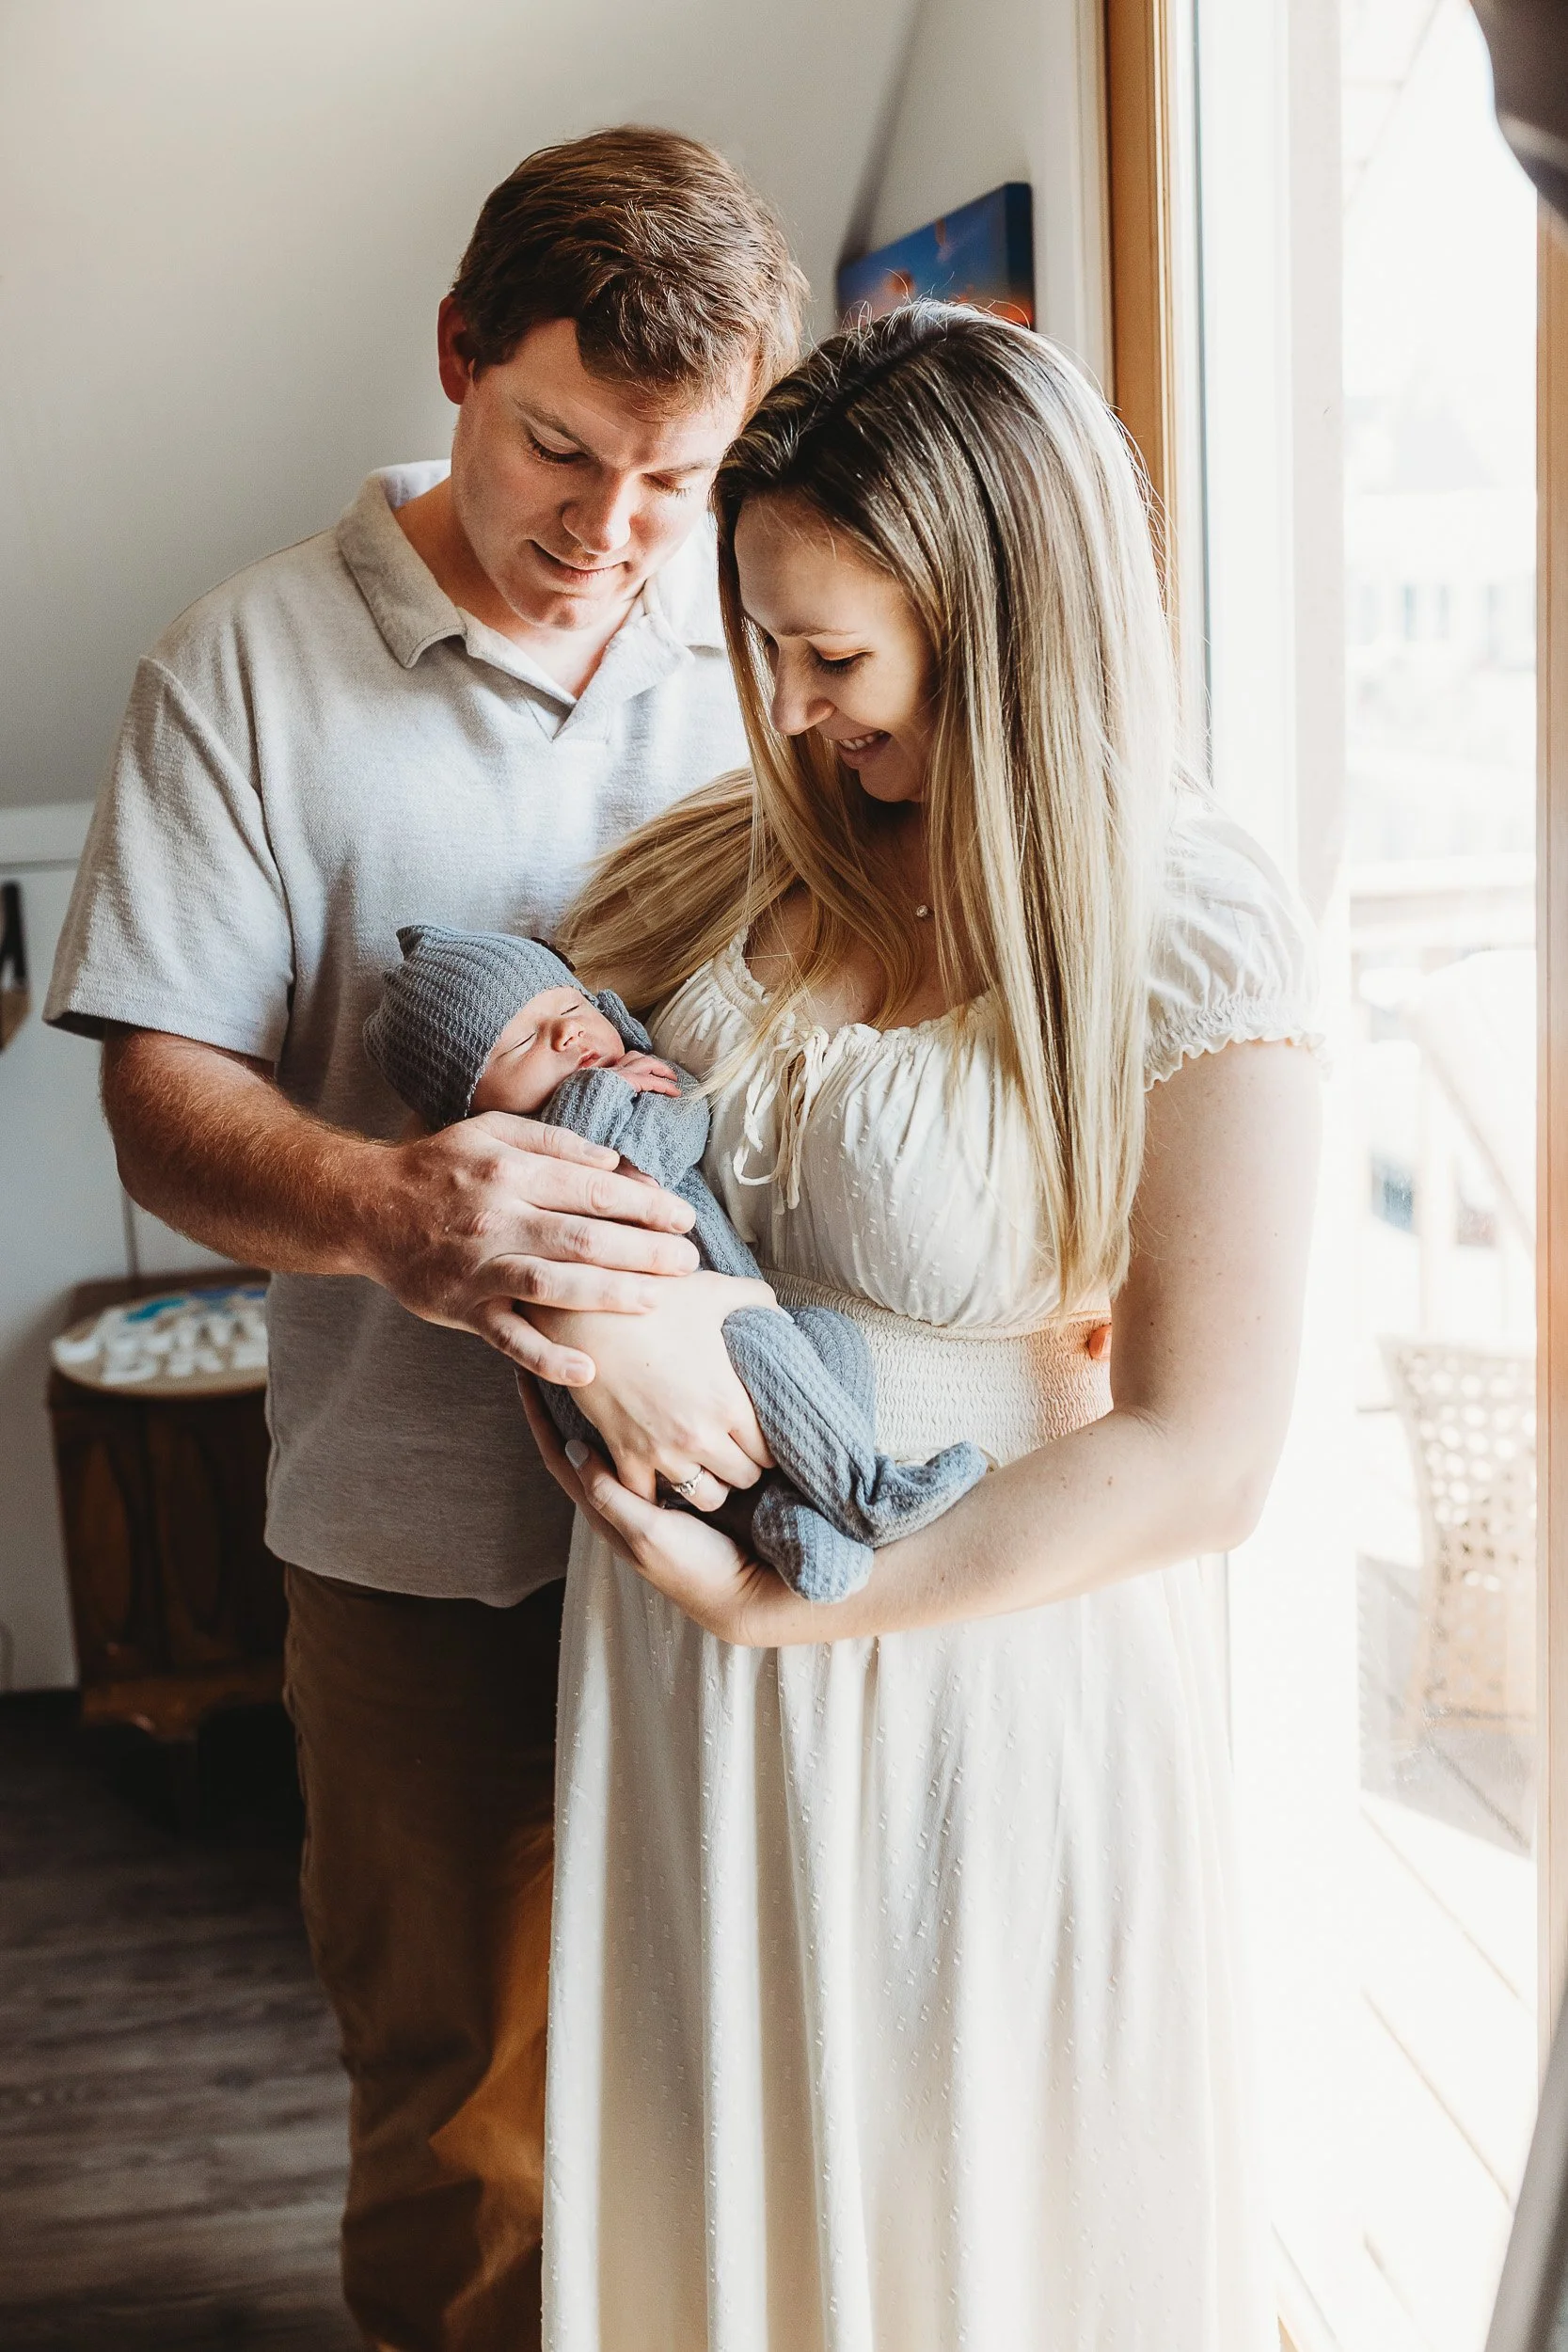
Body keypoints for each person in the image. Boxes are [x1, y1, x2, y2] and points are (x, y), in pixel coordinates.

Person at [44, 127, 806, 2352]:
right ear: (459, 358)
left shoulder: (758, 628)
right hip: (406, 1541)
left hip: (743, 1505)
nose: (615, 534)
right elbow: (158, 1103)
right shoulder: (244, 664)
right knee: (458, 2089)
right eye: (563, 450)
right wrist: (390, 1209)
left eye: (676, 478)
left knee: (747, 2044)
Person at [517, 302, 1323, 2350]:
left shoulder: (1189, 925)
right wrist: (588, 1337)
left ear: (1003, 625)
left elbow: (1203, 1452)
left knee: (978, 2240)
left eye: (833, 655)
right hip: (690, 1681)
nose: (781, 710)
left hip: (980, 1666)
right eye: (759, 645)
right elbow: (537, 1136)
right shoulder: (721, 866)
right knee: (729, 2223)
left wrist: (814, 1606)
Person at [361, 922, 987, 1597]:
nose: (566, 1036)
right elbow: (601, 1180)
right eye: (519, 1042)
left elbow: (683, 1117)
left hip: (720, 1328)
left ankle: (797, 1516)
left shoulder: (651, 1081)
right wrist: (601, 1092)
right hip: (635, 1382)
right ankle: (866, 1496)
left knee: (830, 1337)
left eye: (568, 1010)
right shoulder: (497, 1171)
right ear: (465, 1111)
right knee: (759, 1337)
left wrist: (624, 1087)